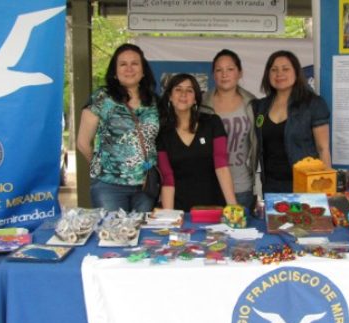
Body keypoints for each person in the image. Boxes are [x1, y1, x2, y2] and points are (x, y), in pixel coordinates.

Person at [77, 43, 159, 212]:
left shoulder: (153, 102)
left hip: (145, 187)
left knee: (143, 236)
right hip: (109, 187)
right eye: (123, 64)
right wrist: (98, 169)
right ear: (114, 72)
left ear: (143, 71)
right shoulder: (102, 98)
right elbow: (82, 142)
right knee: (112, 236)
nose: (129, 68)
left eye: (134, 63)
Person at [253, 50, 331, 194]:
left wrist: (325, 187)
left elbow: (323, 149)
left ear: (296, 72)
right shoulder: (260, 106)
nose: (279, 74)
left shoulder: (313, 104)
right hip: (271, 185)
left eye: (285, 69)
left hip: (306, 184)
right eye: (274, 70)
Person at [157, 73, 237, 211]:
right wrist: (169, 217)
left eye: (189, 90)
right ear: (170, 96)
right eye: (178, 89)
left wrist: (233, 207)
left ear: (195, 99)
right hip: (181, 210)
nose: (183, 94)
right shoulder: (162, 134)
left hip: (214, 208)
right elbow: (167, 179)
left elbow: (222, 167)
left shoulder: (212, 123)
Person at [202, 49, 257, 210]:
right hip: (209, 186)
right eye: (219, 70)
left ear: (240, 73)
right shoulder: (201, 105)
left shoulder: (252, 104)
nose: (224, 74)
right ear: (214, 75)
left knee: (240, 234)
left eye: (230, 69)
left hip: (241, 186)